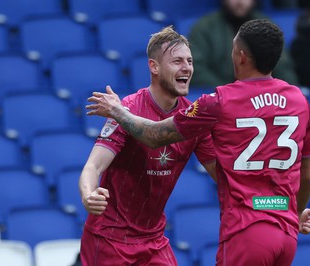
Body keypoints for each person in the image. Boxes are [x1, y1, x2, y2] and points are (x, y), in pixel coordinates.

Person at [87, 19, 310, 266]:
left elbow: (153, 136)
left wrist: (117, 110)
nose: (187, 67)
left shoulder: (220, 101)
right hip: (286, 234)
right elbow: (308, 176)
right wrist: (293, 212)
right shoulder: (300, 100)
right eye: (178, 61)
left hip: (247, 230)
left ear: (241, 56)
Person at [79, 26, 216, 265]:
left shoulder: (192, 118)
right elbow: (93, 167)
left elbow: (225, 177)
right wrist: (89, 195)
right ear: (154, 66)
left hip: (153, 241)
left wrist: (280, 207)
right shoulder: (126, 110)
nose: (187, 68)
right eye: (177, 61)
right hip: (109, 238)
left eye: (189, 61)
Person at [188, 0, 298, 88]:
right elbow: (196, 68)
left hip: (262, 96)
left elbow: (283, 67)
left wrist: (288, 90)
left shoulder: (268, 26)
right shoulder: (204, 28)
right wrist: (227, 91)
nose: (240, 2)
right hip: (219, 99)